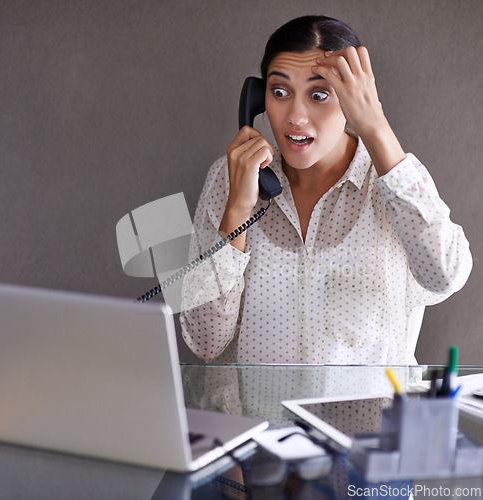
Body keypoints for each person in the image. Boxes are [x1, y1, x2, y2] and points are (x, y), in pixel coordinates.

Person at [179, 15, 472, 365]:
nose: (296, 116)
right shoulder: (230, 178)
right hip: (264, 418)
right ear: (258, 99)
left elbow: (445, 275)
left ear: (352, 101)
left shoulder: (393, 179)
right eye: (280, 92)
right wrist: (236, 213)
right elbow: (204, 342)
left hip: (369, 419)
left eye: (319, 94)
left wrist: (375, 126)